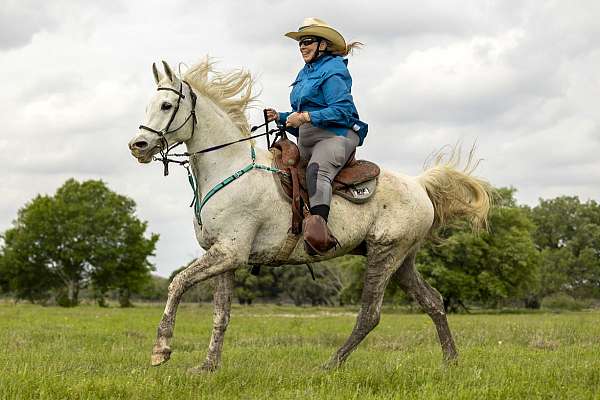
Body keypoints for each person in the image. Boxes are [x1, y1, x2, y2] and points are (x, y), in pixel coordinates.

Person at [265, 17, 368, 255]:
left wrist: (304, 118)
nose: (302, 47)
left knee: (316, 170)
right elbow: (303, 113)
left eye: (307, 41)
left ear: (323, 44)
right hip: (308, 138)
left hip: (336, 135)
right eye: (300, 43)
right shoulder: (305, 72)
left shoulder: (334, 70)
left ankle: (318, 236)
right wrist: (280, 116)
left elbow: (341, 111)